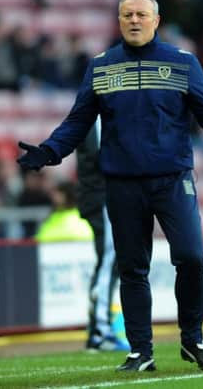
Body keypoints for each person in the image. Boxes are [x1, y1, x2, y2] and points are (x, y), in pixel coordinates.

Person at [17, 0, 203, 372]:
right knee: (132, 267)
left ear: (157, 20)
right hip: (123, 183)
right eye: (127, 15)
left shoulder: (183, 63)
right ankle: (140, 350)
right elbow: (78, 121)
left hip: (173, 179)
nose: (134, 21)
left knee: (191, 257)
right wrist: (50, 151)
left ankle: (192, 338)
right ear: (118, 20)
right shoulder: (101, 66)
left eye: (142, 14)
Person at [76, 120, 130, 352]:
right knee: (108, 261)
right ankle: (99, 332)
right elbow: (101, 155)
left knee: (111, 262)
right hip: (102, 196)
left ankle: (100, 327)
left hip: (102, 195)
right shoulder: (96, 117)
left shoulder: (93, 114)